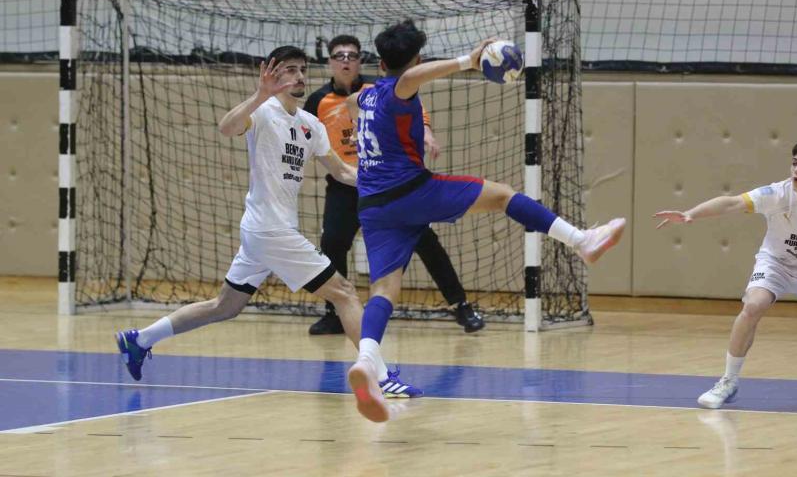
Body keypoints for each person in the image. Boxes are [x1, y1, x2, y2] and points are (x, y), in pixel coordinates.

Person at [343, 21, 627, 422]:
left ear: (379, 61)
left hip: (373, 205)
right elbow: (409, 80)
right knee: (504, 196)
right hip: (411, 191)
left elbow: (351, 103)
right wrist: (469, 60)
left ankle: (367, 361)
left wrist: (386, 130)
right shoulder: (396, 89)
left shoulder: (366, 95)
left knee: (383, 289)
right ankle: (581, 240)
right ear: (416, 60)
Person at [115, 45, 421, 398]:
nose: (299, 76)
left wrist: (385, 181)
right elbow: (226, 127)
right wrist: (259, 95)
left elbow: (340, 171)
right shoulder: (262, 112)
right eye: (290, 70)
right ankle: (379, 376)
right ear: (272, 75)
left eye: (302, 69)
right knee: (345, 293)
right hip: (269, 230)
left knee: (225, 306)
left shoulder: (311, 125)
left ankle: (140, 339)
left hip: (265, 231)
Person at [303, 34, 485, 335]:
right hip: (345, 184)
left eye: (352, 55)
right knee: (332, 243)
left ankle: (460, 305)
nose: (346, 61)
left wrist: (426, 132)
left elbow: (414, 109)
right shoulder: (318, 100)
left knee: (425, 241)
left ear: (361, 61)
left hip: (385, 184)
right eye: (339, 56)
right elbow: (306, 131)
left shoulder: (378, 89)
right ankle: (335, 313)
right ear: (329, 63)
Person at [654, 138, 797, 409]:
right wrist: (691, 214)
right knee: (753, 305)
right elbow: (732, 203)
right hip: (776, 265)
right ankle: (728, 381)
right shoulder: (778, 194)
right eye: (794, 163)